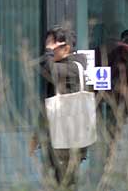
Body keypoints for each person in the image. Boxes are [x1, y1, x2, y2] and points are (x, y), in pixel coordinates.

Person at [32, 26, 89, 190]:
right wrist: (37, 134)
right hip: (56, 138)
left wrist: (48, 53)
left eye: (52, 46)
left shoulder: (73, 67)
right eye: (47, 46)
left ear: (67, 48)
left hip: (68, 141)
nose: (48, 50)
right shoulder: (60, 66)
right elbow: (48, 105)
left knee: (65, 184)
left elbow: (47, 69)